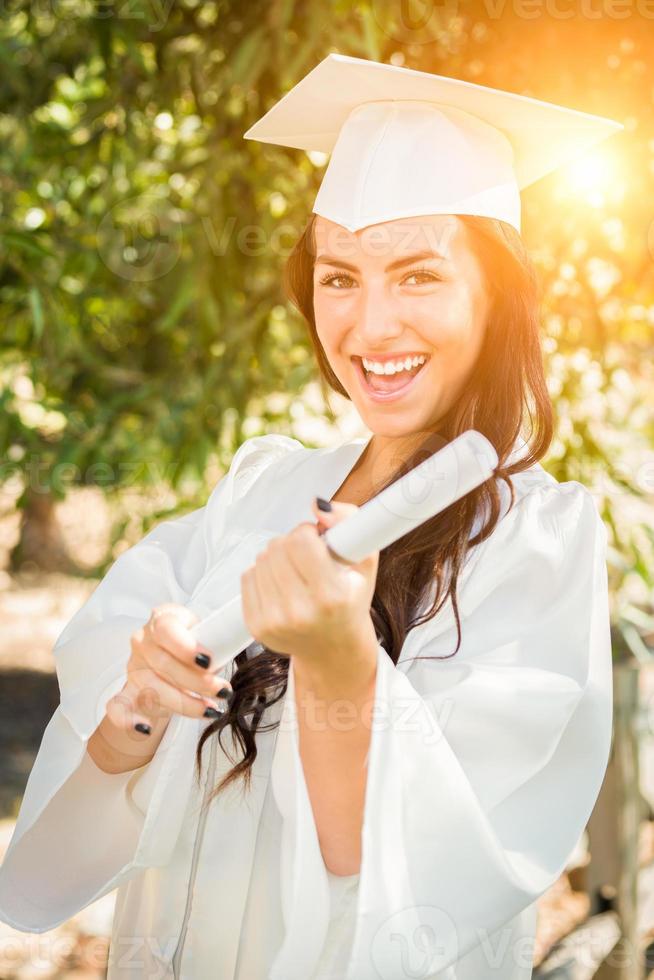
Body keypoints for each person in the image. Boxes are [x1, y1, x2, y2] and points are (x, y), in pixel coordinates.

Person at [0, 53, 621, 980]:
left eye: (417, 276)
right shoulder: (262, 490)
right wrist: (141, 704)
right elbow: (89, 825)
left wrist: (340, 656)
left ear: (498, 299)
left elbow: (399, 891)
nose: (369, 329)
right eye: (339, 278)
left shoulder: (534, 542)